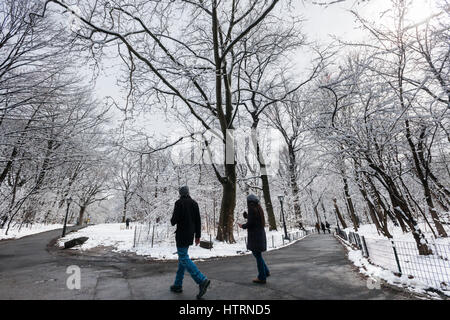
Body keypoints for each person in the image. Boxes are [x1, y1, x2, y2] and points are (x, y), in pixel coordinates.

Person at [170, 186, 210, 299]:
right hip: (190, 235)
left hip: (181, 235)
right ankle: (178, 284)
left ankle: (201, 280)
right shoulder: (194, 203)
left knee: (183, 257)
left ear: (180, 194)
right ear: (188, 193)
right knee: (182, 258)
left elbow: (174, 221)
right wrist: (198, 236)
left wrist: (173, 219)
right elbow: (198, 221)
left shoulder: (179, 203)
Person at [239, 194, 270, 284]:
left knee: (257, 255)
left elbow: (251, 223)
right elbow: (254, 220)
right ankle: (266, 272)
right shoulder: (258, 208)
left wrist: (243, 226)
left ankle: (262, 277)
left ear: (249, 201)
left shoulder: (252, 208)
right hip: (259, 234)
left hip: (255, 236)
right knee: (257, 254)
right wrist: (247, 217)